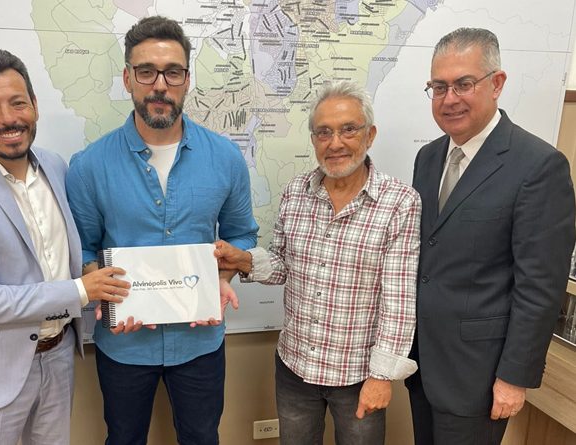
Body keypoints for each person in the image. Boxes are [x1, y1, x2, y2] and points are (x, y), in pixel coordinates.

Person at [65, 16, 258, 445]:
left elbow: (243, 235)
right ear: (127, 78)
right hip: (124, 343)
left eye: (172, 72)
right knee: (124, 439)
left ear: (187, 79)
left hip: (201, 341)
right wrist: (109, 298)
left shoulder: (226, 158)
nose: (159, 85)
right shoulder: (89, 166)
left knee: (202, 438)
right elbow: (84, 251)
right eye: (146, 71)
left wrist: (223, 276)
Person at [0, 48, 131, 445]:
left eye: (18, 103)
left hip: (58, 356)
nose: (8, 119)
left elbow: (65, 258)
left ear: (34, 105)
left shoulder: (56, 166)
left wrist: (100, 282)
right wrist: (81, 290)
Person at [214, 80, 421, 445]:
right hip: (295, 367)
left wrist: (382, 376)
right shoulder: (296, 192)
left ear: (370, 135)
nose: (335, 143)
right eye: (323, 132)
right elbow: (282, 264)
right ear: (313, 140)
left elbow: (399, 301)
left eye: (348, 129)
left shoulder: (400, 203)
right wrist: (244, 260)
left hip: (358, 375)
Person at [406, 27, 576, 444]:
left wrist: (514, 377)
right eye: (439, 87)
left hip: (480, 376)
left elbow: (540, 287)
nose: (449, 98)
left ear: (497, 83)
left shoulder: (539, 166)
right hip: (424, 363)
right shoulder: (428, 157)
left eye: (464, 84)